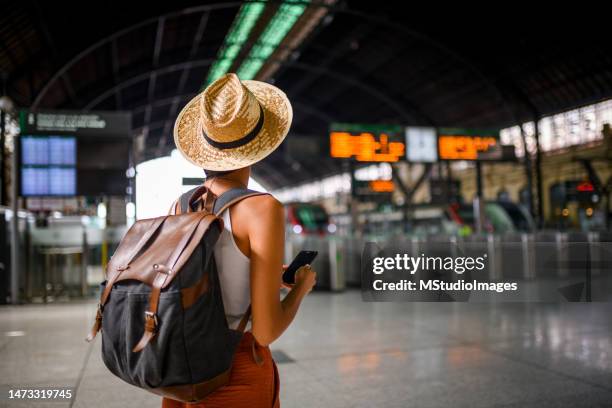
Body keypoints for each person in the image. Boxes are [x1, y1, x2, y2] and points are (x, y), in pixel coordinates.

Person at [162, 73, 317, 407]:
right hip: (234, 372)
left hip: (179, 369)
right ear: (256, 149)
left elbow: (205, 276)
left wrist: (270, 275)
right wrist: (301, 289)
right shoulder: (262, 208)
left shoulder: (180, 204)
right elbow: (265, 331)